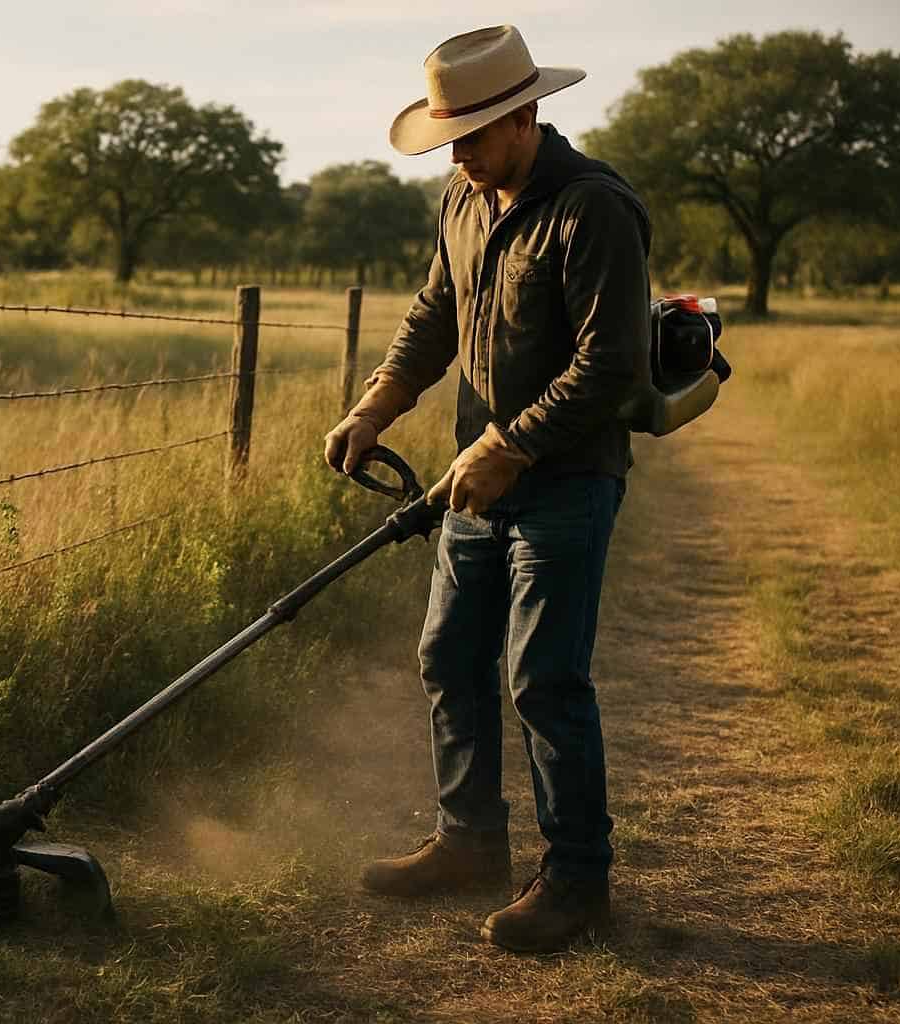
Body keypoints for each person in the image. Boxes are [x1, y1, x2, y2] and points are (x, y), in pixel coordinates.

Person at [323, 24, 651, 953]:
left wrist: (510, 442)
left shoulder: (595, 210)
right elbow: (437, 313)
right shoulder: (460, 202)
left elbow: (612, 364)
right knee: (450, 659)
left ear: (526, 116)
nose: (458, 155)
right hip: (478, 482)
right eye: (448, 138)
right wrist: (373, 408)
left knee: (543, 677)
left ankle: (580, 882)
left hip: (567, 482)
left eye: (471, 135)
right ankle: (469, 844)